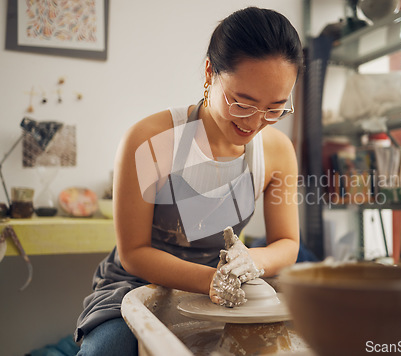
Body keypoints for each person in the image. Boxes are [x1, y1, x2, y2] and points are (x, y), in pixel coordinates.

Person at [75, 6, 302, 355]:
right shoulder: (150, 139)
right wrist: (210, 281)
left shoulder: (277, 151)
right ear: (210, 72)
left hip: (228, 294)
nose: (256, 122)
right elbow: (134, 253)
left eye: (274, 109)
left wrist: (253, 262)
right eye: (242, 103)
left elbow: (287, 241)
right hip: (134, 287)